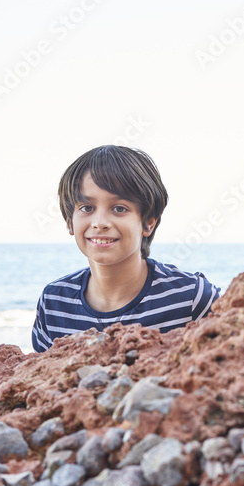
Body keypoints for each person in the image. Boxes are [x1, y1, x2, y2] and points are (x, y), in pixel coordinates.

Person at [32, 145, 219, 352]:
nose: (100, 223)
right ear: (70, 222)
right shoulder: (54, 302)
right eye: (87, 208)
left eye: (119, 209)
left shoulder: (192, 297)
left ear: (148, 222)